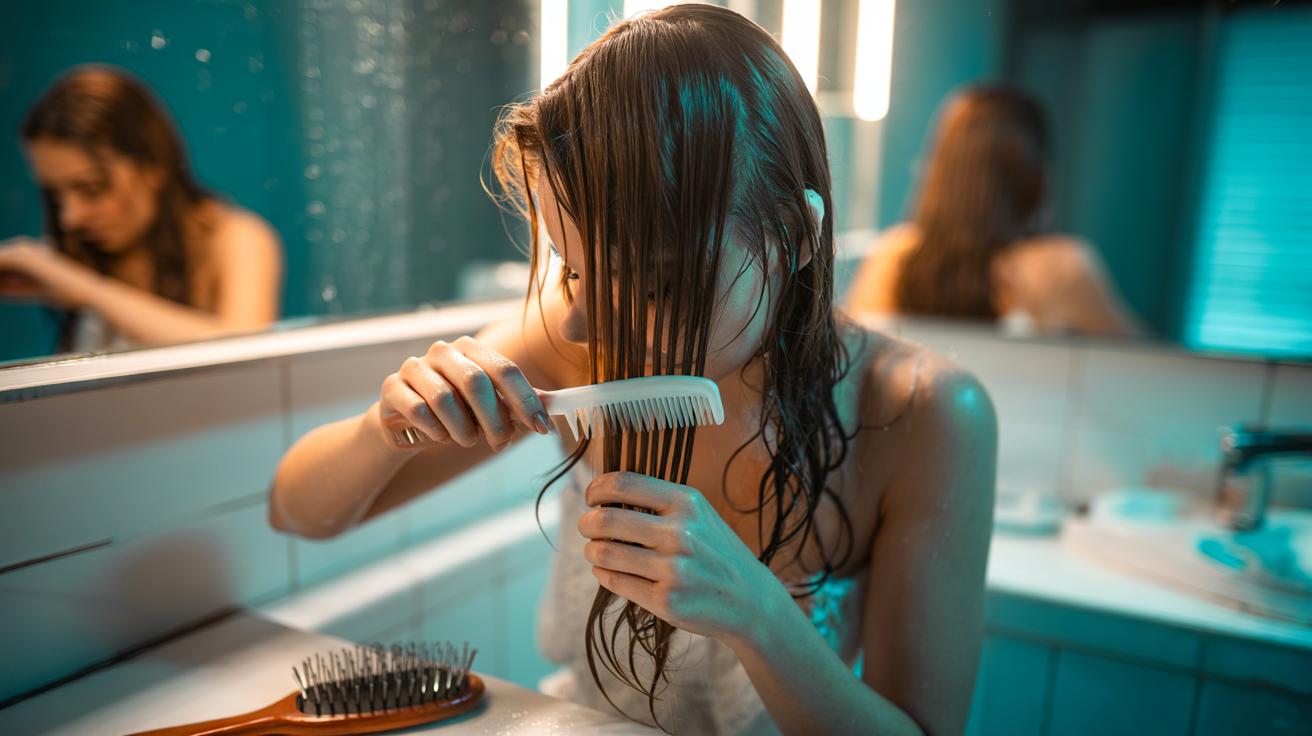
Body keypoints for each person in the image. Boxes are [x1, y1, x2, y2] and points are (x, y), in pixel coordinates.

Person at [269, 7, 996, 736]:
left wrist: (760, 617)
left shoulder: (924, 414)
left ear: (795, 237)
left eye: (652, 285)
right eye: (577, 272)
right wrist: (382, 428)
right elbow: (298, 512)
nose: (587, 325)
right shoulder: (573, 336)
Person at [0, 65, 283, 353]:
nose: (70, 217)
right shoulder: (78, 257)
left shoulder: (237, 239)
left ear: (152, 166)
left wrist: (84, 288)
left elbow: (243, 351)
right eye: (55, 195)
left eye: (92, 189)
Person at [845, 84, 1142, 337]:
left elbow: (849, 360)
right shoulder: (1062, 266)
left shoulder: (892, 258)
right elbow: (1152, 370)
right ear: (1032, 174)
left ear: (941, 170)